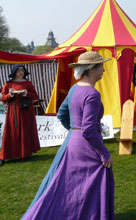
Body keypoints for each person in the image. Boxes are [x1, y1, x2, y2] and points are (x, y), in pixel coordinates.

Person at [22, 51, 114, 219]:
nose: (104, 70)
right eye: (101, 66)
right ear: (92, 69)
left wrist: (74, 130)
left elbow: (62, 115)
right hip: (86, 145)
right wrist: (105, 153)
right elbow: (87, 130)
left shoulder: (74, 89)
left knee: (71, 184)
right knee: (97, 177)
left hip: (73, 143)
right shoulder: (92, 94)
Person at [0, 64, 40, 166]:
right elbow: (3, 99)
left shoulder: (28, 83)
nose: (21, 73)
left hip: (26, 110)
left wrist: (26, 93)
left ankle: (25, 153)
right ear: (14, 72)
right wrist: (11, 94)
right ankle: (7, 155)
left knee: (25, 131)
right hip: (13, 111)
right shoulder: (8, 83)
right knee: (12, 131)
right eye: (18, 71)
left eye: (22, 70)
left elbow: (35, 96)